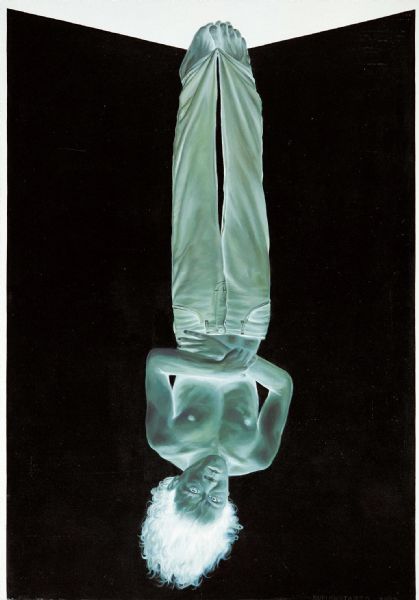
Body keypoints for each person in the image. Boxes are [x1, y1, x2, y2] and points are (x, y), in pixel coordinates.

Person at [140, 21, 293, 589]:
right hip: (250, 320)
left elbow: (157, 362)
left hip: (196, 322)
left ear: (170, 489)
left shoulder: (167, 440)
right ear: (228, 511)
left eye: (192, 491)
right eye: (214, 498)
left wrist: (217, 369)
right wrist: (246, 365)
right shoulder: (258, 455)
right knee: (247, 189)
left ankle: (202, 67)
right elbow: (283, 388)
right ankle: (237, 67)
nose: (208, 483)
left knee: (194, 191)